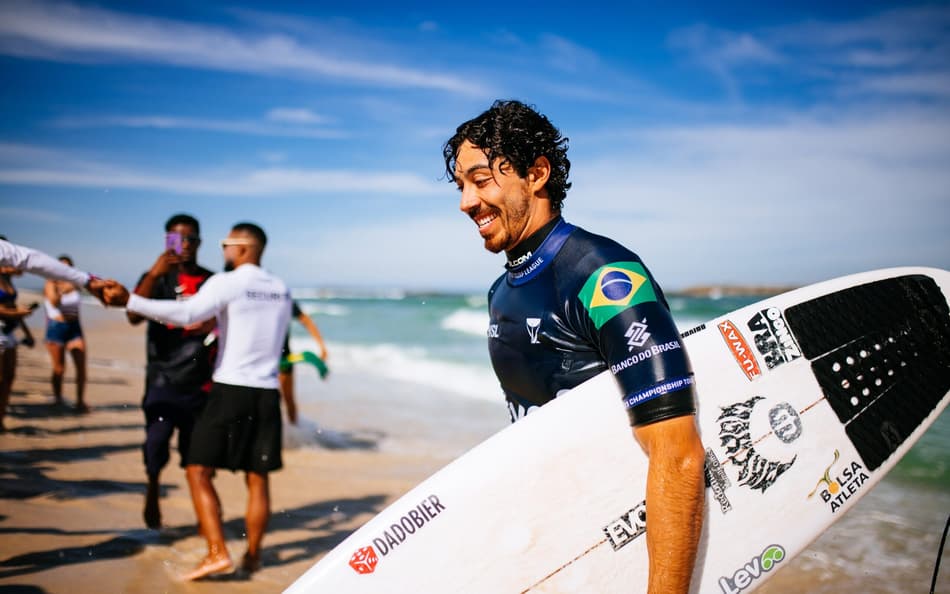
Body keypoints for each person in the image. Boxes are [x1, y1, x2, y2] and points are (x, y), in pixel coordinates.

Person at [442, 100, 705, 594]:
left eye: (480, 180)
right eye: (461, 186)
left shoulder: (603, 276)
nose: (465, 202)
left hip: (624, 548)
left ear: (536, 173)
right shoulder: (502, 292)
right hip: (563, 543)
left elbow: (678, 453)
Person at [102, 222, 292, 580]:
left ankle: (217, 552)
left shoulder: (226, 281)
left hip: (230, 389)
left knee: (197, 470)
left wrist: (130, 299)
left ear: (243, 248)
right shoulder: (281, 289)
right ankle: (253, 558)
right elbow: (266, 337)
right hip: (267, 394)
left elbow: (188, 314)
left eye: (226, 244)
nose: (223, 252)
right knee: (258, 479)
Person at [126, 214, 216, 529]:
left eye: (190, 239)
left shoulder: (211, 281)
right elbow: (133, 316)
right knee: (156, 444)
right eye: (177, 239)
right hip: (163, 378)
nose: (185, 245)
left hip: (200, 381)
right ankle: (152, 488)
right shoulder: (156, 279)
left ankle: (204, 521)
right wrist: (154, 273)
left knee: (198, 458)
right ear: (166, 242)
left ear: (200, 242)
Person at [44, 255, 88, 412]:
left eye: (68, 266)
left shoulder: (76, 284)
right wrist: (62, 289)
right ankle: (57, 398)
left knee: (81, 367)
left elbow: (87, 289)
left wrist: (75, 285)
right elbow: (54, 302)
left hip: (74, 327)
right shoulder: (51, 283)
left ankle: (80, 401)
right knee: (59, 368)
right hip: (57, 327)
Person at [0, 238, 108, 298]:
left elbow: (30, 259)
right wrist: (87, 281)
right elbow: (31, 259)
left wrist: (87, 281)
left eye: (68, 267)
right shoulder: (51, 283)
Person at [278, 300, 329, 425]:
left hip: (284, 357)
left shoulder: (282, 298)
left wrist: (322, 346)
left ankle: (294, 435)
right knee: (271, 400)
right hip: (261, 357)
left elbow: (306, 320)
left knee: (288, 399)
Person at [0, 262, 37, 432]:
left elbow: (13, 307)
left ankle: (1, 417)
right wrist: (18, 313)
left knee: (9, 377)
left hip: (10, 331)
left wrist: (27, 332)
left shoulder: (8, 281)